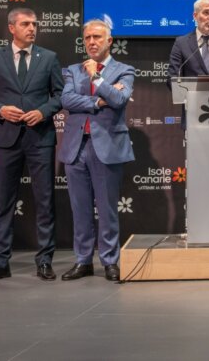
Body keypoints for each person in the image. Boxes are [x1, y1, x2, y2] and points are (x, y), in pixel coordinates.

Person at [0, 8, 64, 282]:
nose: (32, 28)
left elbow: (60, 95)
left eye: (35, 24)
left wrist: (44, 111)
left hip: (40, 138)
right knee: (3, 202)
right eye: (26, 24)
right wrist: (0, 110)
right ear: (11, 28)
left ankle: (45, 261)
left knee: (45, 201)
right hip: (6, 138)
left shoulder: (49, 58)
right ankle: (0, 262)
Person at [59, 20, 134, 282]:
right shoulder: (71, 70)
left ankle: (110, 261)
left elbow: (120, 100)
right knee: (80, 209)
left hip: (108, 147)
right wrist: (100, 99)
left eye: (97, 37)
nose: (91, 42)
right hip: (76, 147)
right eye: (88, 37)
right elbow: (66, 100)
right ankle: (83, 261)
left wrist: (97, 77)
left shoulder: (124, 70)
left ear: (109, 41)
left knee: (107, 209)